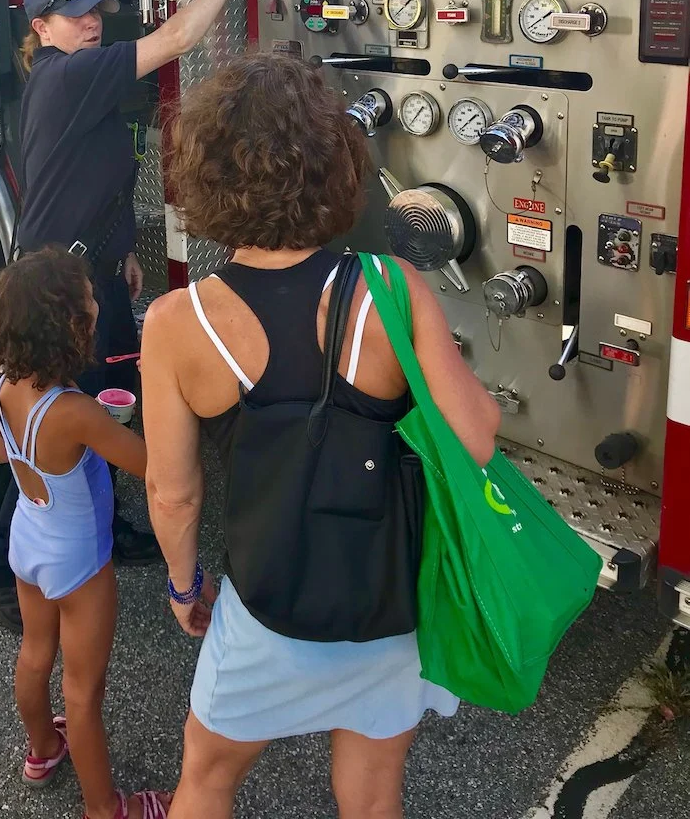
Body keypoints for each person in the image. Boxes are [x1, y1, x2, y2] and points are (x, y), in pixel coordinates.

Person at [141, 54, 502, 819]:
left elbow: (171, 491)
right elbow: (475, 439)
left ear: (204, 172)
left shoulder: (178, 322)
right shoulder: (389, 287)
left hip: (266, 604)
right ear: (333, 163)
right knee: (371, 797)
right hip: (385, 601)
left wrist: (182, 585)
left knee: (205, 779)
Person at [0, 0, 263, 631]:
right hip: (53, 284)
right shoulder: (68, 74)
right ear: (39, 28)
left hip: (89, 266)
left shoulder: (75, 73)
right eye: (73, 13)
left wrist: (121, 250)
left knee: (105, 401)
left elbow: (92, 175)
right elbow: (180, 37)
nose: (91, 20)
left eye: (95, 8)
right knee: (55, 417)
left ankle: (106, 522)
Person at [0, 247, 171, 819]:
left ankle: (41, 750)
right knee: (84, 693)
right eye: (90, 299)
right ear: (70, 327)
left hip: (27, 543)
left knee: (36, 652)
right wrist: (159, 396)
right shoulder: (75, 411)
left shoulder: (2, 383)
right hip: (79, 564)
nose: (97, 301)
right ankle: (106, 808)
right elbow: (151, 466)